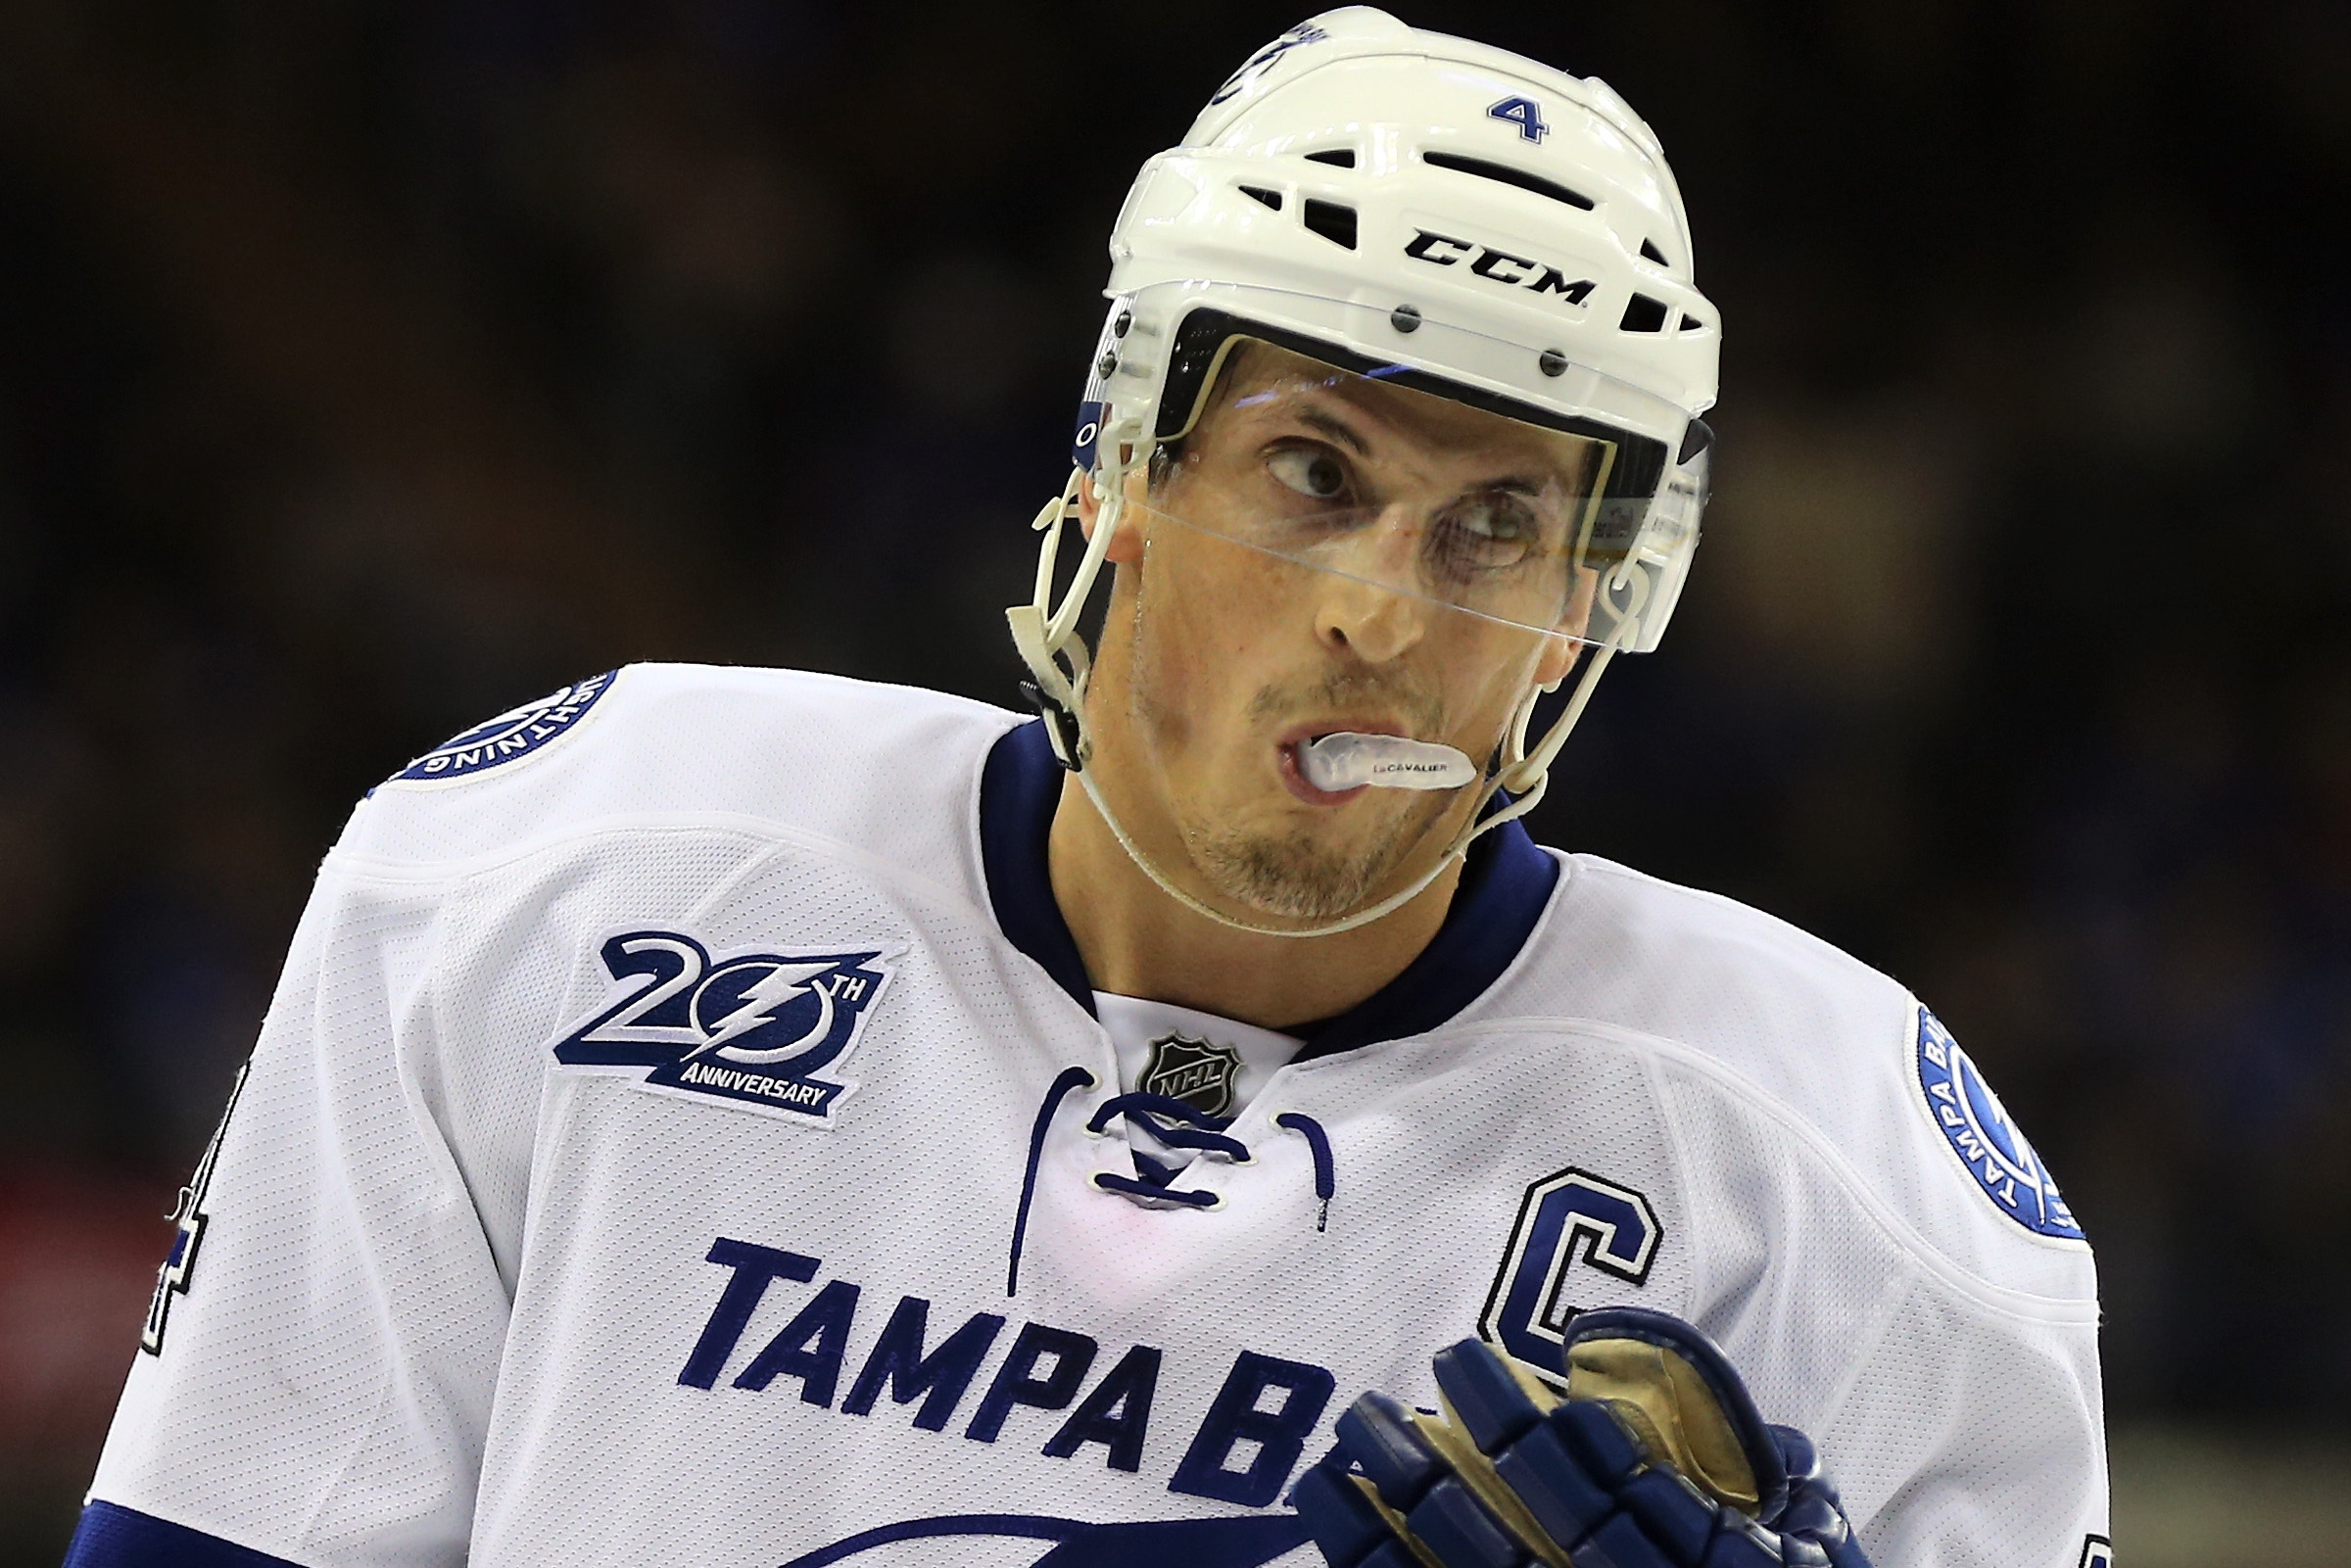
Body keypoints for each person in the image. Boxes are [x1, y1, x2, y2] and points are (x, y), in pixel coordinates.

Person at [65, 11, 2108, 1568]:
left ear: (1589, 610)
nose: (1385, 618)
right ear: (1124, 468)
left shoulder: (1857, 1187)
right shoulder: (562, 885)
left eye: (1495, 528)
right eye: (1318, 472)